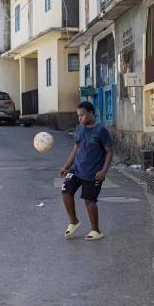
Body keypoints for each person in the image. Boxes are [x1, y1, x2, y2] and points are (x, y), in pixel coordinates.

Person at [59, 101, 113, 241]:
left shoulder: (101, 131)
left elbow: (109, 152)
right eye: (78, 116)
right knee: (66, 192)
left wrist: (104, 171)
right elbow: (75, 150)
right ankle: (74, 221)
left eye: (82, 115)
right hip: (76, 169)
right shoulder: (80, 129)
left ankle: (96, 230)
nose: (80, 118)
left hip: (93, 173)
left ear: (90, 113)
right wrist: (66, 166)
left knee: (89, 200)